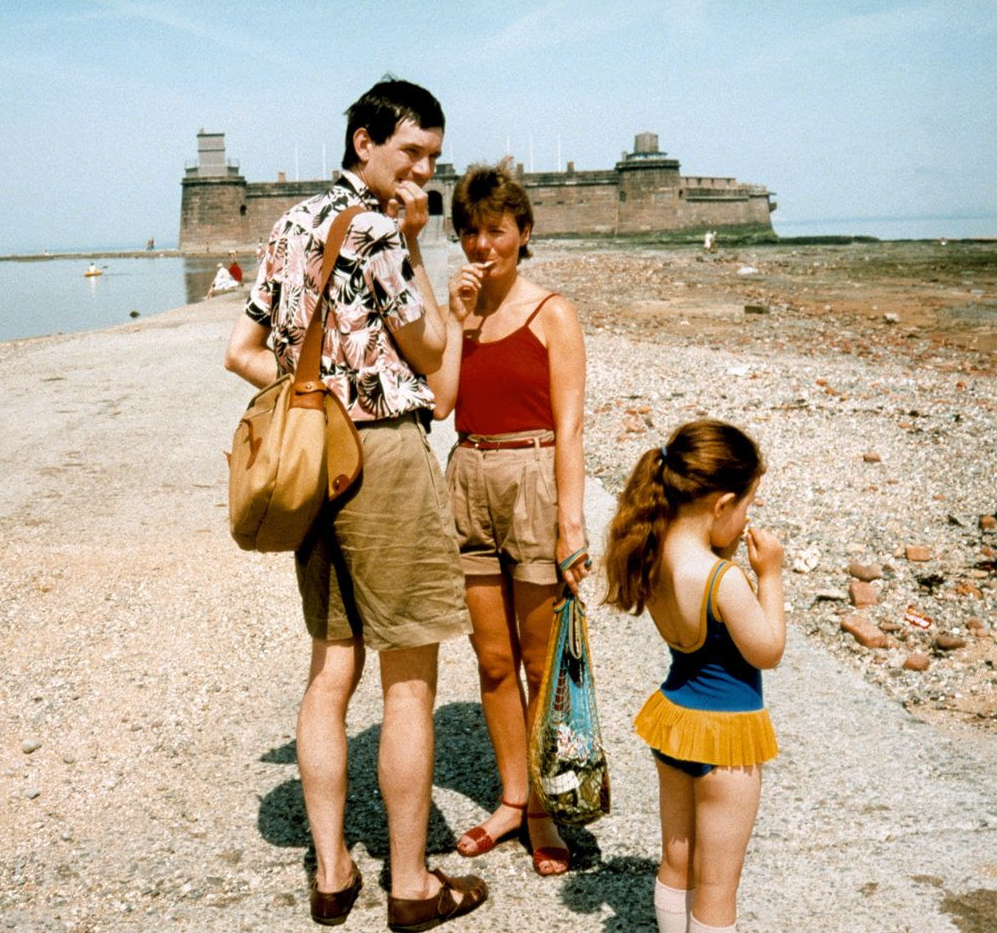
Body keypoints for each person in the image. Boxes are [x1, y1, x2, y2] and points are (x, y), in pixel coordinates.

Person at [224, 78, 487, 931]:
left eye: (433, 160)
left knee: (331, 666)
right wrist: (420, 245)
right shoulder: (378, 230)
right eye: (411, 152)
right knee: (410, 674)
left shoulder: (289, 223)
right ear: (364, 141)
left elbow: (242, 350)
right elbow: (431, 345)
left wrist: (319, 399)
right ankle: (409, 884)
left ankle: (332, 871)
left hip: (315, 457)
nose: (421, 170)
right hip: (380, 456)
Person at [426, 163, 589, 876]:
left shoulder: (553, 311)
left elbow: (572, 425)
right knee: (492, 662)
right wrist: (458, 325)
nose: (481, 244)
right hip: (467, 472)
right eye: (470, 231)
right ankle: (513, 798)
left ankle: (549, 809)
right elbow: (440, 405)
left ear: (523, 233)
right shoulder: (458, 310)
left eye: (496, 230)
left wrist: (573, 525)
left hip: (533, 475)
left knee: (538, 658)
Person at [603, 419, 786, 933]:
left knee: (677, 859)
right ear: (722, 505)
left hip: (675, 720)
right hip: (727, 736)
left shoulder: (652, 553)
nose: (749, 516)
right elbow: (767, 650)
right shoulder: (721, 580)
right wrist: (770, 575)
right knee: (718, 883)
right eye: (748, 504)